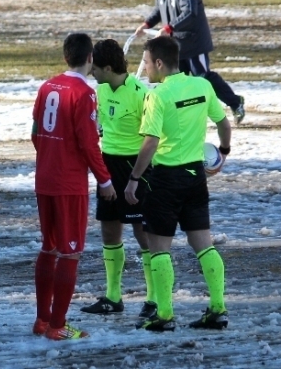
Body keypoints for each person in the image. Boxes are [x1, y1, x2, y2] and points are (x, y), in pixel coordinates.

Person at [124, 36, 232, 332]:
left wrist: (134, 179)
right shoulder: (202, 85)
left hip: (165, 180)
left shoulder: (157, 96)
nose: (144, 69)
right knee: (204, 245)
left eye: (146, 62)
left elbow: (150, 142)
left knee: (159, 248)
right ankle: (218, 309)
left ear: (159, 63)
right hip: (196, 177)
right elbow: (224, 123)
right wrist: (223, 152)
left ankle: (165, 314)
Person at [31, 33, 116, 341]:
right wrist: (104, 179)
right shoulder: (84, 93)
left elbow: (35, 131)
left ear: (66, 56)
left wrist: (50, 156)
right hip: (69, 183)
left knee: (49, 247)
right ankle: (58, 325)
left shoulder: (46, 87)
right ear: (90, 58)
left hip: (45, 178)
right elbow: (88, 143)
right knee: (70, 253)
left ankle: (42, 320)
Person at [80, 39, 156, 319]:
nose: (92, 74)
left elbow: (153, 137)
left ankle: (154, 298)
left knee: (143, 232)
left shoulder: (141, 93)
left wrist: (139, 175)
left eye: (96, 69)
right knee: (109, 229)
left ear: (108, 67)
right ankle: (113, 296)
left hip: (135, 168)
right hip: (107, 165)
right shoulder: (98, 91)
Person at [135, 0, 245, 126]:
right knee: (177, 78)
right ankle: (183, 114)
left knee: (203, 76)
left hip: (194, 41)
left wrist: (168, 28)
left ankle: (236, 103)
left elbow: (189, 12)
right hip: (175, 43)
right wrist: (146, 24)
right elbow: (159, 10)